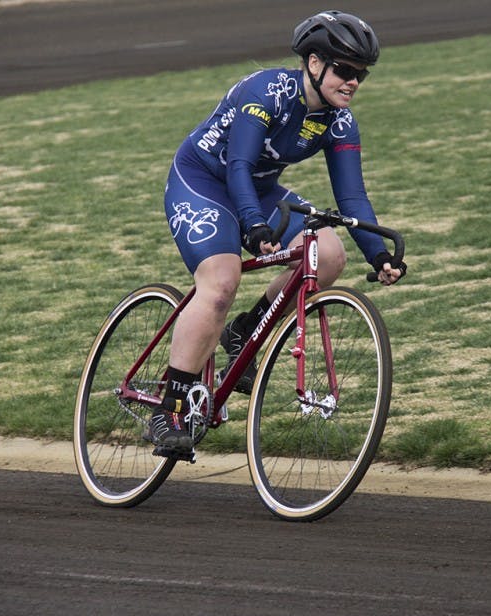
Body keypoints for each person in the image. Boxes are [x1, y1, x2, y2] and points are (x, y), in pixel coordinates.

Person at [149, 10, 407, 454]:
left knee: (328, 255)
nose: (353, 83)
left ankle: (244, 331)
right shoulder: (265, 92)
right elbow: (239, 166)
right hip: (204, 181)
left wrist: (379, 254)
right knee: (220, 283)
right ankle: (168, 408)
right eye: (344, 70)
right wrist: (251, 222)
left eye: (360, 75)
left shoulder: (339, 121)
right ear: (313, 63)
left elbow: (353, 200)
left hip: (260, 188)